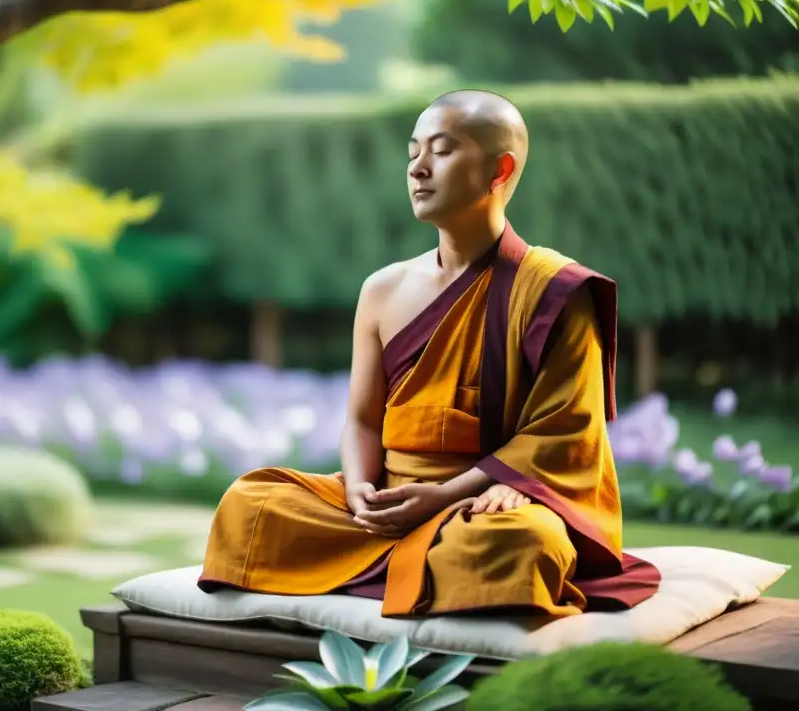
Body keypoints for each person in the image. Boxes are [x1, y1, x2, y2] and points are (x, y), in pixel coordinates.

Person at [197, 90, 661, 618]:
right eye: (413, 151)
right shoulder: (382, 289)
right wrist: (361, 496)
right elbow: (363, 419)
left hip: (479, 505)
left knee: (523, 543)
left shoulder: (554, 291)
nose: (417, 168)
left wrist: (452, 496)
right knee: (252, 501)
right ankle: (402, 555)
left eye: (440, 151)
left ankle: (393, 562)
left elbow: (565, 434)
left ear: (499, 169)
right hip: (388, 497)